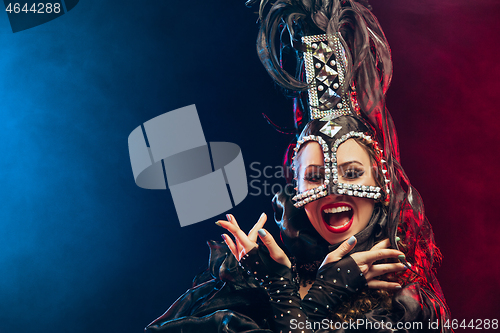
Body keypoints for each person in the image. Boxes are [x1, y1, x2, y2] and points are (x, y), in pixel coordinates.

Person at [145, 0, 451, 331]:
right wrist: (290, 289)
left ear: (382, 184)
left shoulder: (402, 303)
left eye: (352, 173)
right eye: (315, 176)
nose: (333, 190)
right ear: (295, 189)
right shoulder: (255, 277)